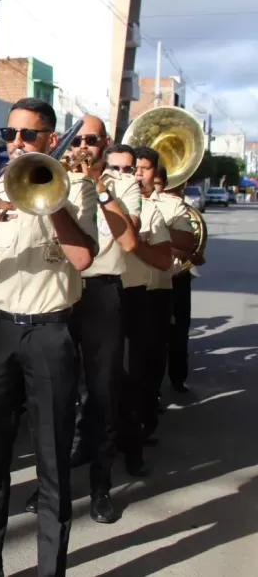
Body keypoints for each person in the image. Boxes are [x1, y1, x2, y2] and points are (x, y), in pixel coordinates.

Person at [0, 98, 98, 577]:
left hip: (48, 332)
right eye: (9, 134)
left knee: (53, 460)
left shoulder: (77, 187)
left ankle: (50, 570)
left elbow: (82, 258)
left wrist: (50, 198)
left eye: (27, 135)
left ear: (49, 139)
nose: (15, 143)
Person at [31, 118, 142, 524]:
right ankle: (50, 485)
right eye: (76, 139)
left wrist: (98, 185)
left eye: (90, 140)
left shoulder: (123, 183)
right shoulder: (53, 175)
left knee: (102, 392)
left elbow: (128, 239)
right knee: (54, 395)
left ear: (105, 143)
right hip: (59, 290)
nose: (82, 146)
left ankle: (100, 487)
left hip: (100, 292)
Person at [113, 144, 171, 476]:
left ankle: (132, 449)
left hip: (133, 296)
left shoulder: (151, 212)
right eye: (117, 169)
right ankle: (87, 443)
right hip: (93, 295)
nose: (126, 175)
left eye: (131, 169)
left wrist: (134, 241)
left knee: (132, 379)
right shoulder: (88, 200)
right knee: (88, 381)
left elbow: (163, 261)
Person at [143, 163, 195, 423]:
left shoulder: (173, 205)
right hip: (129, 285)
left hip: (168, 280)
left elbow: (188, 243)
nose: (139, 176)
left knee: (168, 338)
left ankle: (170, 383)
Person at [164, 182, 205, 393]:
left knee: (180, 329)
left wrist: (188, 254)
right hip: (154, 274)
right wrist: (186, 253)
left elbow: (193, 240)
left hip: (180, 276)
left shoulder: (185, 208)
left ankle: (178, 377)